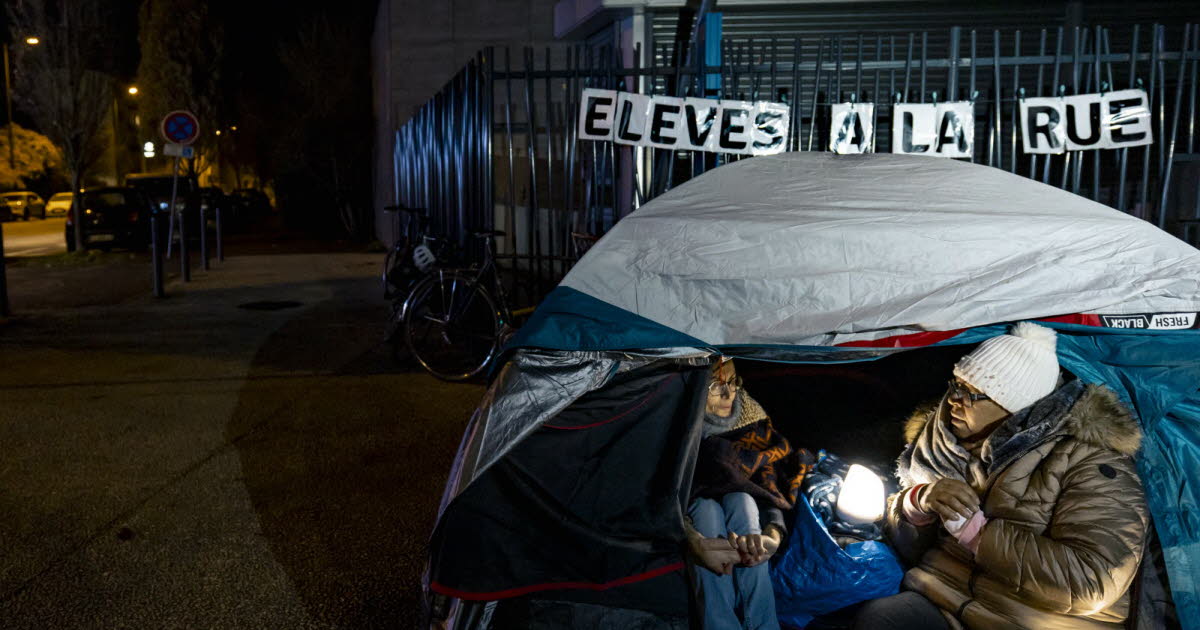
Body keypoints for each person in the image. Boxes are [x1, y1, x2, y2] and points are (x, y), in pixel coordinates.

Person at [853, 322, 1149, 630]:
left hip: (1033, 619)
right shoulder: (942, 447)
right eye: (956, 385)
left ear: (1014, 407)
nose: (955, 400)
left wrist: (978, 535)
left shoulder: (1093, 465)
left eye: (974, 394)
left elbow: (1092, 582)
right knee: (880, 619)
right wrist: (918, 503)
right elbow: (908, 545)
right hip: (944, 595)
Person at [685, 358, 814, 630]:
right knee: (705, 511)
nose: (728, 394)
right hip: (695, 510)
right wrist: (692, 540)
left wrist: (773, 536)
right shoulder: (681, 425)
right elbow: (665, 491)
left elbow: (767, 486)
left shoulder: (750, 418)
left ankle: (763, 624)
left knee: (742, 499)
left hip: (744, 508)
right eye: (714, 386)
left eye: (732, 383)